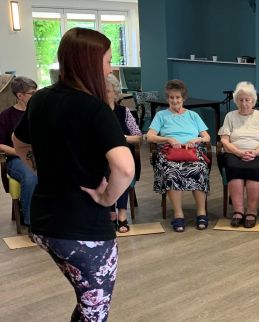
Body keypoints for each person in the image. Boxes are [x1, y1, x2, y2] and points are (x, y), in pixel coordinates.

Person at [12, 28, 135, 321]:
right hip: (81, 230)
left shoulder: (40, 98)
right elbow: (125, 166)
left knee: (87, 303)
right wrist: (107, 198)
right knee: (95, 311)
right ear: (89, 63)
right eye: (107, 60)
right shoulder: (94, 108)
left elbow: (19, 142)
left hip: (45, 224)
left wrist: (41, 171)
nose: (111, 67)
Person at [146, 79, 210, 232]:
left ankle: (201, 212)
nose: (174, 101)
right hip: (169, 152)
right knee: (171, 171)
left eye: (178, 97)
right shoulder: (161, 115)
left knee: (200, 168)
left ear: (183, 98)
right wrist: (167, 138)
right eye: (171, 97)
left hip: (192, 152)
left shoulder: (193, 115)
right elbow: (149, 136)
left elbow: (207, 137)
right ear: (167, 98)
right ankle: (178, 214)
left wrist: (197, 139)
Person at [217, 81, 259, 228]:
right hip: (234, 153)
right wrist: (239, 152)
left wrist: (255, 152)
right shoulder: (230, 116)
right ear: (236, 101)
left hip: (258, 153)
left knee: (254, 169)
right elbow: (224, 140)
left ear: (253, 101)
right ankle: (238, 211)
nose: (244, 103)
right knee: (234, 168)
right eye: (240, 100)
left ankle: (252, 211)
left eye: (247, 100)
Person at [106, 74, 142, 233]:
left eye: (107, 91)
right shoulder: (95, 112)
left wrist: (124, 138)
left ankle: (121, 213)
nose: (104, 94)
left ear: (115, 93)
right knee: (106, 168)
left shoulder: (124, 111)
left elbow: (138, 136)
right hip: (103, 157)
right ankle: (110, 211)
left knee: (120, 169)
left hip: (123, 155)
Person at [0, 76, 38, 226]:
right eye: (32, 93)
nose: (36, 95)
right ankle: (32, 222)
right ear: (20, 95)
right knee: (30, 177)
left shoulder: (39, 112)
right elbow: (1, 144)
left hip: (41, 157)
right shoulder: (6, 116)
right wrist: (21, 152)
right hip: (16, 159)